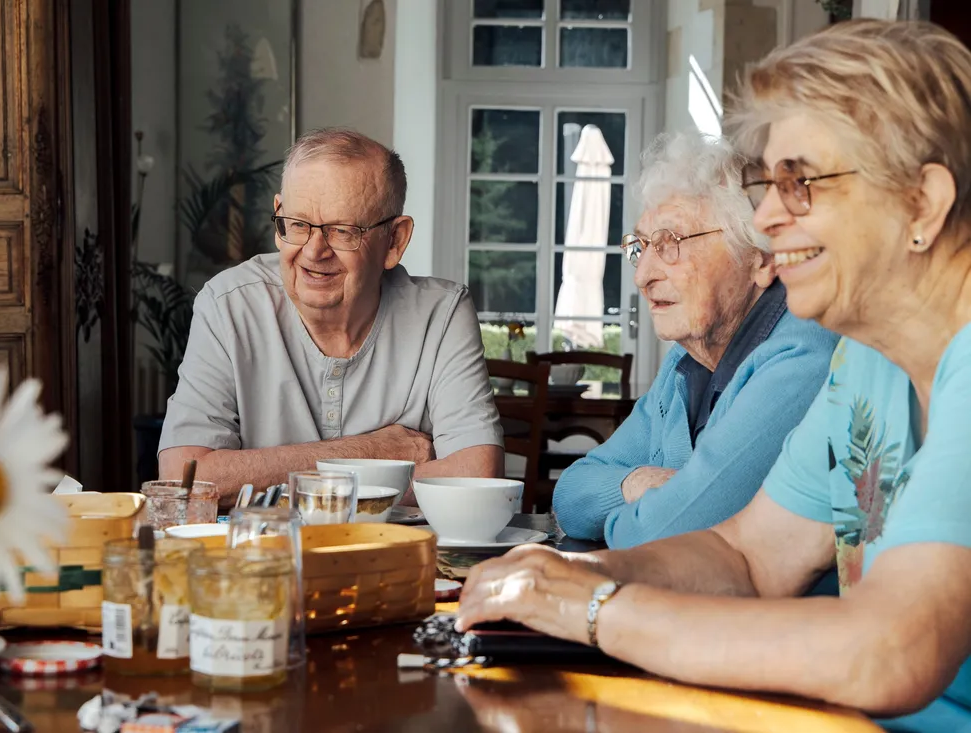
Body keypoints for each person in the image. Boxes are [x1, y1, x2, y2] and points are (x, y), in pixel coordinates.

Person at [457, 20, 971, 730]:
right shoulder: (866, 363)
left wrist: (594, 608)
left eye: (801, 184)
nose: (763, 217)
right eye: (767, 185)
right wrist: (576, 574)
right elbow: (749, 553)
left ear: (923, 202)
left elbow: (891, 648)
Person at [158, 128, 503, 506]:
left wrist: (266, 481)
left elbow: (477, 476)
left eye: (342, 230)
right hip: (264, 558)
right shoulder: (228, 305)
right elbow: (184, 479)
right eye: (299, 225)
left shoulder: (442, 314)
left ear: (395, 241)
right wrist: (372, 452)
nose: (313, 252)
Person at [553, 131, 838, 548]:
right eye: (641, 246)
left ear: (759, 258)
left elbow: (669, 534)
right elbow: (570, 495)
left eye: (671, 243)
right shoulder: (684, 365)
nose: (642, 275)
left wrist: (639, 514)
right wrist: (636, 483)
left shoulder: (802, 353)